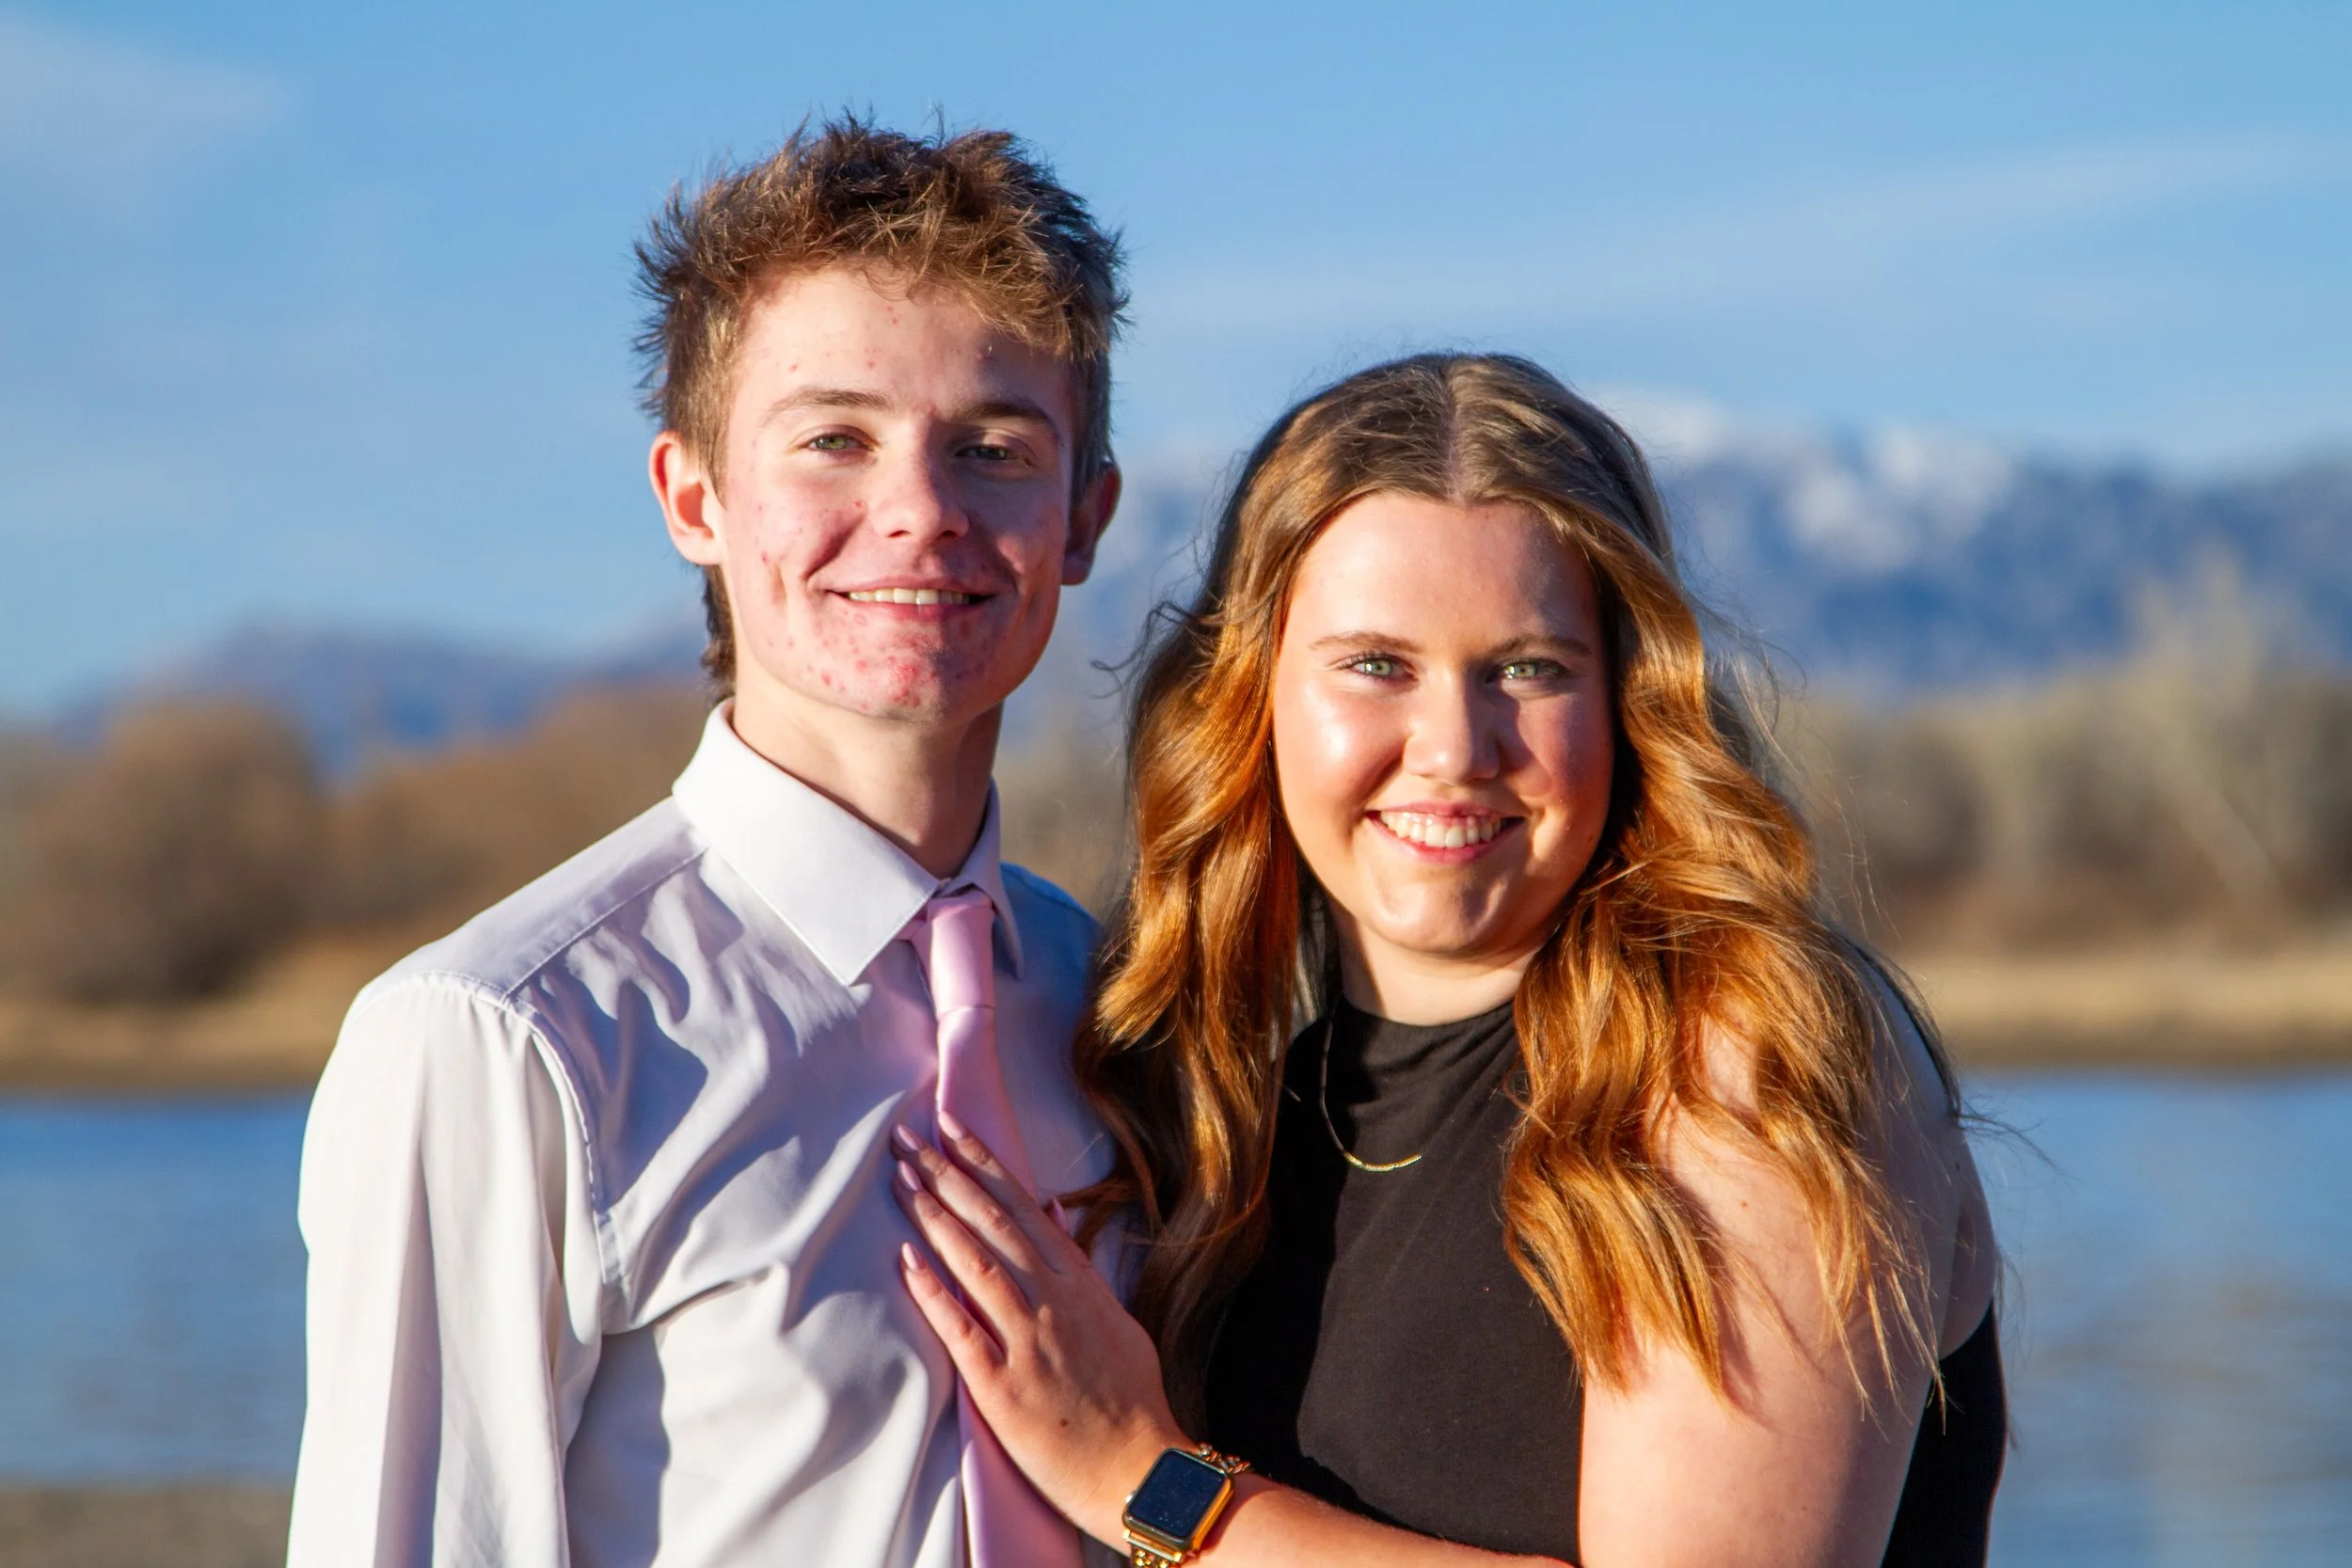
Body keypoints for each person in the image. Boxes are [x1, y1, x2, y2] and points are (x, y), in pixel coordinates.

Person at [889, 353, 2006, 1566]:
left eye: (1528, 670)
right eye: (1377, 665)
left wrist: (1140, 1478)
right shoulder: (1245, 1116)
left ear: (1627, 698)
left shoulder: (1743, 1055)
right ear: (1250, 693)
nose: (1454, 748)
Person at [289, 118, 1129, 1567]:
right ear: (694, 498)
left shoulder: (1117, 999)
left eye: (993, 448)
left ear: (1084, 520)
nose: (920, 512)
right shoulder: (508, 1038)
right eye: (834, 441)